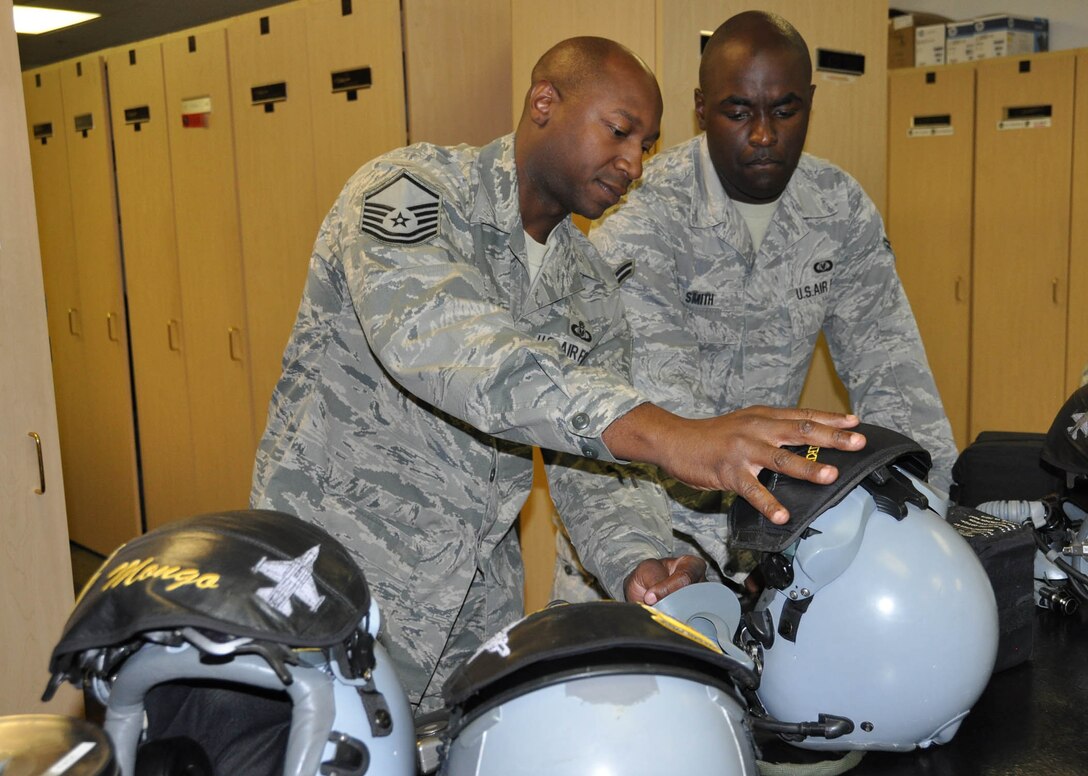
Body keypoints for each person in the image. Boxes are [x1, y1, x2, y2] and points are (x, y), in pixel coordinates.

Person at [251, 35, 865, 715]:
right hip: (331, 592)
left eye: (648, 145)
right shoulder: (410, 193)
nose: (633, 162)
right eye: (620, 130)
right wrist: (672, 435)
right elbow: (450, 346)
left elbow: (589, 469)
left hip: (470, 620)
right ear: (545, 102)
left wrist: (641, 562)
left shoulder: (588, 288)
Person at [551, 12, 957, 600]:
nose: (763, 134)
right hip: (641, 552)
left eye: (785, 111)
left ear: (811, 104)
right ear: (701, 108)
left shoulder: (837, 210)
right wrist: (745, 555)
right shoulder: (641, 215)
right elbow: (672, 427)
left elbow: (894, 375)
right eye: (739, 112)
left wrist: (926, 516)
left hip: (770, 541)